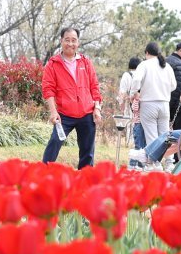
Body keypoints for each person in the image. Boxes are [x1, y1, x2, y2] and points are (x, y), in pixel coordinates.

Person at [40, 27, 103, 168]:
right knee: (54, 142)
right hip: (64, 115)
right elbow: (48, 89)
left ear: (78, 43)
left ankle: (85, 181)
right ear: (61, 41)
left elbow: (95, 86)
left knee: (88, 152)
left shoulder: (85, 62)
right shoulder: (53, 64)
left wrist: (97, 108)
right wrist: (53, 112)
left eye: (74, 40)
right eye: (67, 40)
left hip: (86, 113)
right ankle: (42, 173)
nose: (70, 43)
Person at [136, 42, 176, 145]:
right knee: (165, 135)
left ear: (147, 52)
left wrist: (134, 92)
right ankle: (169, 160)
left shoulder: (144, 64)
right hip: (164, 104)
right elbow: (173, 85)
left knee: (151, 136)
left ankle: (155, 161)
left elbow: (136, 81)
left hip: (148, 103)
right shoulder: (167, 66)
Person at [118, 57, 145, 152]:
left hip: (130, 102)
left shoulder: (127, 75)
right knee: (140, 123)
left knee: (130, 122)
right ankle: (139, 144)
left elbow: (122, 91)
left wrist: (121, 103)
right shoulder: (143, 74)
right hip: (142, 102)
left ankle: (130, 142)